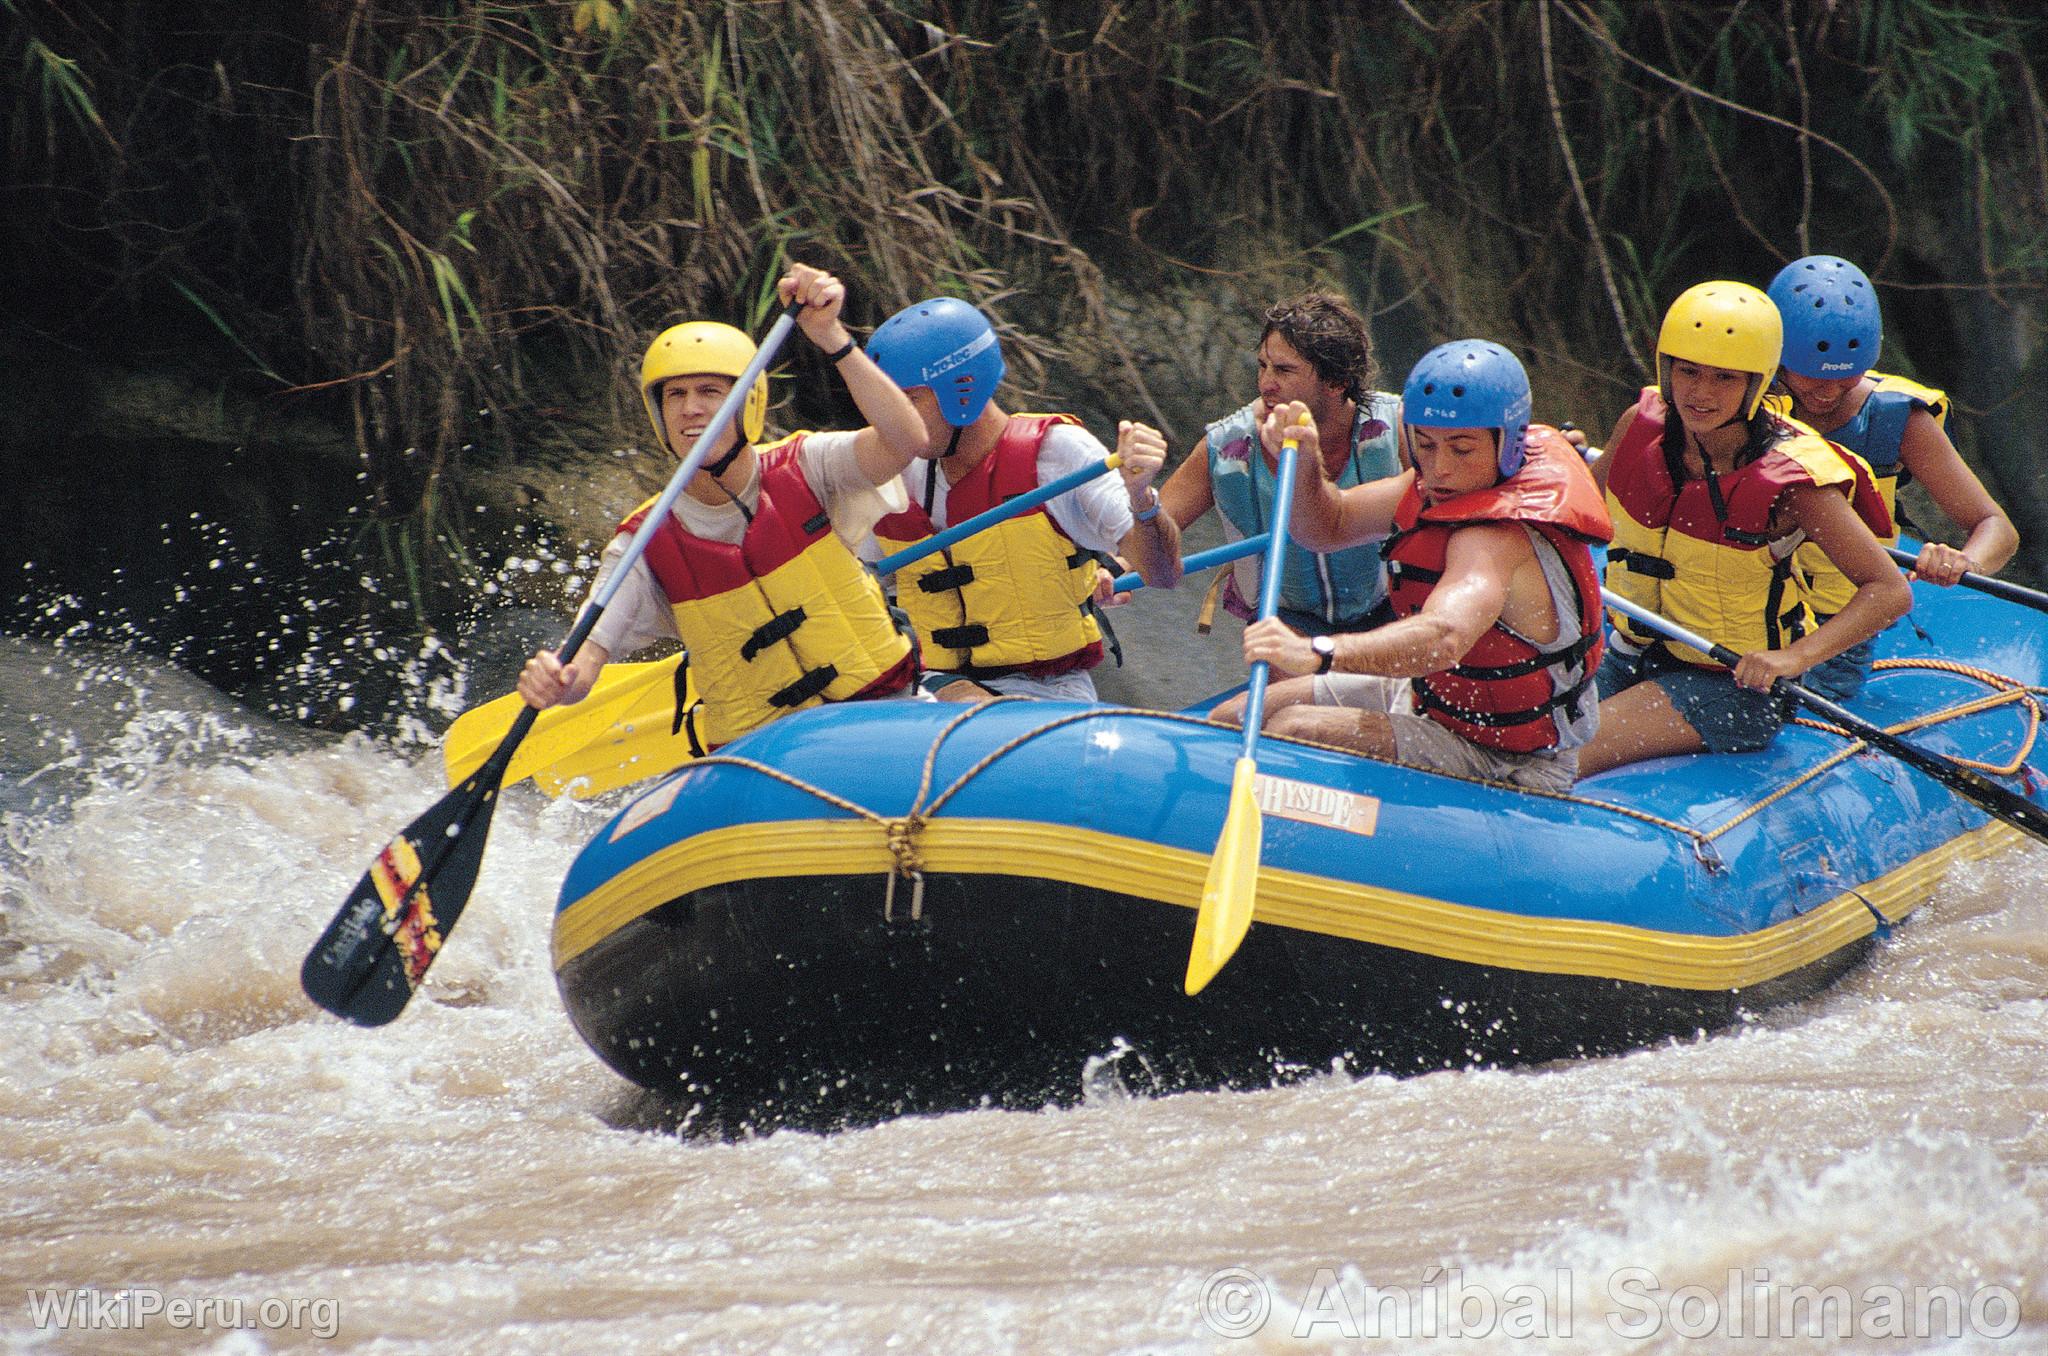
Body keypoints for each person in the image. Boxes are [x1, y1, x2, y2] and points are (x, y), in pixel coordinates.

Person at [516, 263, 930, 749]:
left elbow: (907, 439)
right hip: (763, 755)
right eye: (675, 396)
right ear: (659, 414)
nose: (691, 409)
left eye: (710, 392)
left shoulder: (809, 467)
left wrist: (830, 335)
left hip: (884, 709)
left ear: (748, 404)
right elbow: (586, 659)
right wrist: (559, 682)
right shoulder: (641, 545)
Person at [1211, 340, 1612, 792]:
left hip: (1506, 757)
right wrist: (1305, 462)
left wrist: (1317, 653)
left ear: (1509, 444)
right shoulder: (1433, 485)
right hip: (1428, 698)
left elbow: (1443, 637)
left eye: (1461, 450)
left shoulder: (1499, 539)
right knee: (1235, 716)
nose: (1439, 468)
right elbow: (1327, 524)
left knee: (1297, 729)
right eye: (1425, 444)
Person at [1578, 281, 1913, 777]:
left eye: (1724, 378)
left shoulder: (1794, 483)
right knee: (1516, 737)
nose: (1701, 393)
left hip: (1732, 689)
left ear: (1757, 384)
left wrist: (1794, 659)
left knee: (1563, 752)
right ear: (1665, 369)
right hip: (1631, 654)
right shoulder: (1638, 425)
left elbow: (1889, 592)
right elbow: (1576, 521)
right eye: (1688, 372)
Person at [864, 296, 1181, 701]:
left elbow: (1164, 574)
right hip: (932, 688)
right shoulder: (896, 472)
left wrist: (1142, 498)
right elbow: (858, 591)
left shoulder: (1059, 454)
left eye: (909, 401)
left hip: (1046, 692)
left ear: (962, 391)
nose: (893, 421)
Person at [1766, 254, 2017, 611]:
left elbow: (1995, 526)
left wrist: (1966, 562)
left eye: (1844, 376)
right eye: (1812, 374)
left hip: (1843, 620)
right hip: (1751, 609)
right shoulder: (1741, 397)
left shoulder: (1898, 419)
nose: (1828, 391)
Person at [1146, 291, 1405, 634]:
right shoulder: (1225, 449)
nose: (1266, 384)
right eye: (1263, 366)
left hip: (1390, 611)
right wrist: (1137, 504)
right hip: (1284, 621)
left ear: (1336, 381)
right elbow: (1145, 543)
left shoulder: (1398, 425)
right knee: (1286, 667)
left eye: (1283, 370)